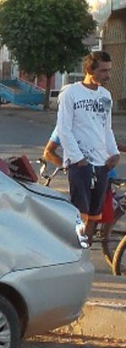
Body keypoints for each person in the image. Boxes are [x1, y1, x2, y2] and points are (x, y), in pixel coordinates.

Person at [55, 50, 120, 244]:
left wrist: (114, 153)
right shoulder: (71, 92)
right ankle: (73, 250)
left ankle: (85, 251)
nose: (107, 75)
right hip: (81, 163)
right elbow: (64, 129)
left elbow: (106, 128)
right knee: (79, 214)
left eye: (109, 70)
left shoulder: (105, 95)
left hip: (102, 164)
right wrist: (78, 159)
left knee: (94, 215)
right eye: (103, 71)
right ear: (90, 70)